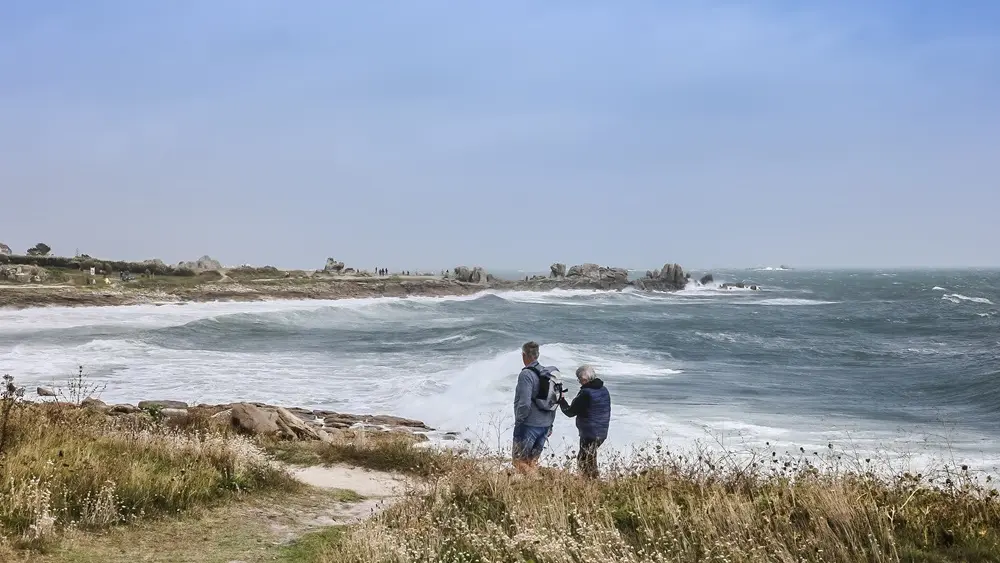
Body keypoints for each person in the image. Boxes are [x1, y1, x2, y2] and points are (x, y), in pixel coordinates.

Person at [512, 341, 563, 473]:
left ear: (524, 355)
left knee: (519, 461)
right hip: (545, 424)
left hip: (529, 425)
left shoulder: (526, 375)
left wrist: (519, 422)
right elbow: (554, 401)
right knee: (532, 461)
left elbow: (524, 403)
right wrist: (550, 425)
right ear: (538, 355)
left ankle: (536, 482)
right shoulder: (547, 374)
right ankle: (533, 489)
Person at [559, 365, 611, 479]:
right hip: (602, 432)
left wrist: (561, 400)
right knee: (590, 458)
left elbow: (570, 412)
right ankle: (594, 483)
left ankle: (589, 485)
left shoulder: (586, 393)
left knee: (583, 460)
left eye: (579, 380)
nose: (579, 383)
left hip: (589, 433)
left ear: (584, 379)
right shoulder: (603, 389)